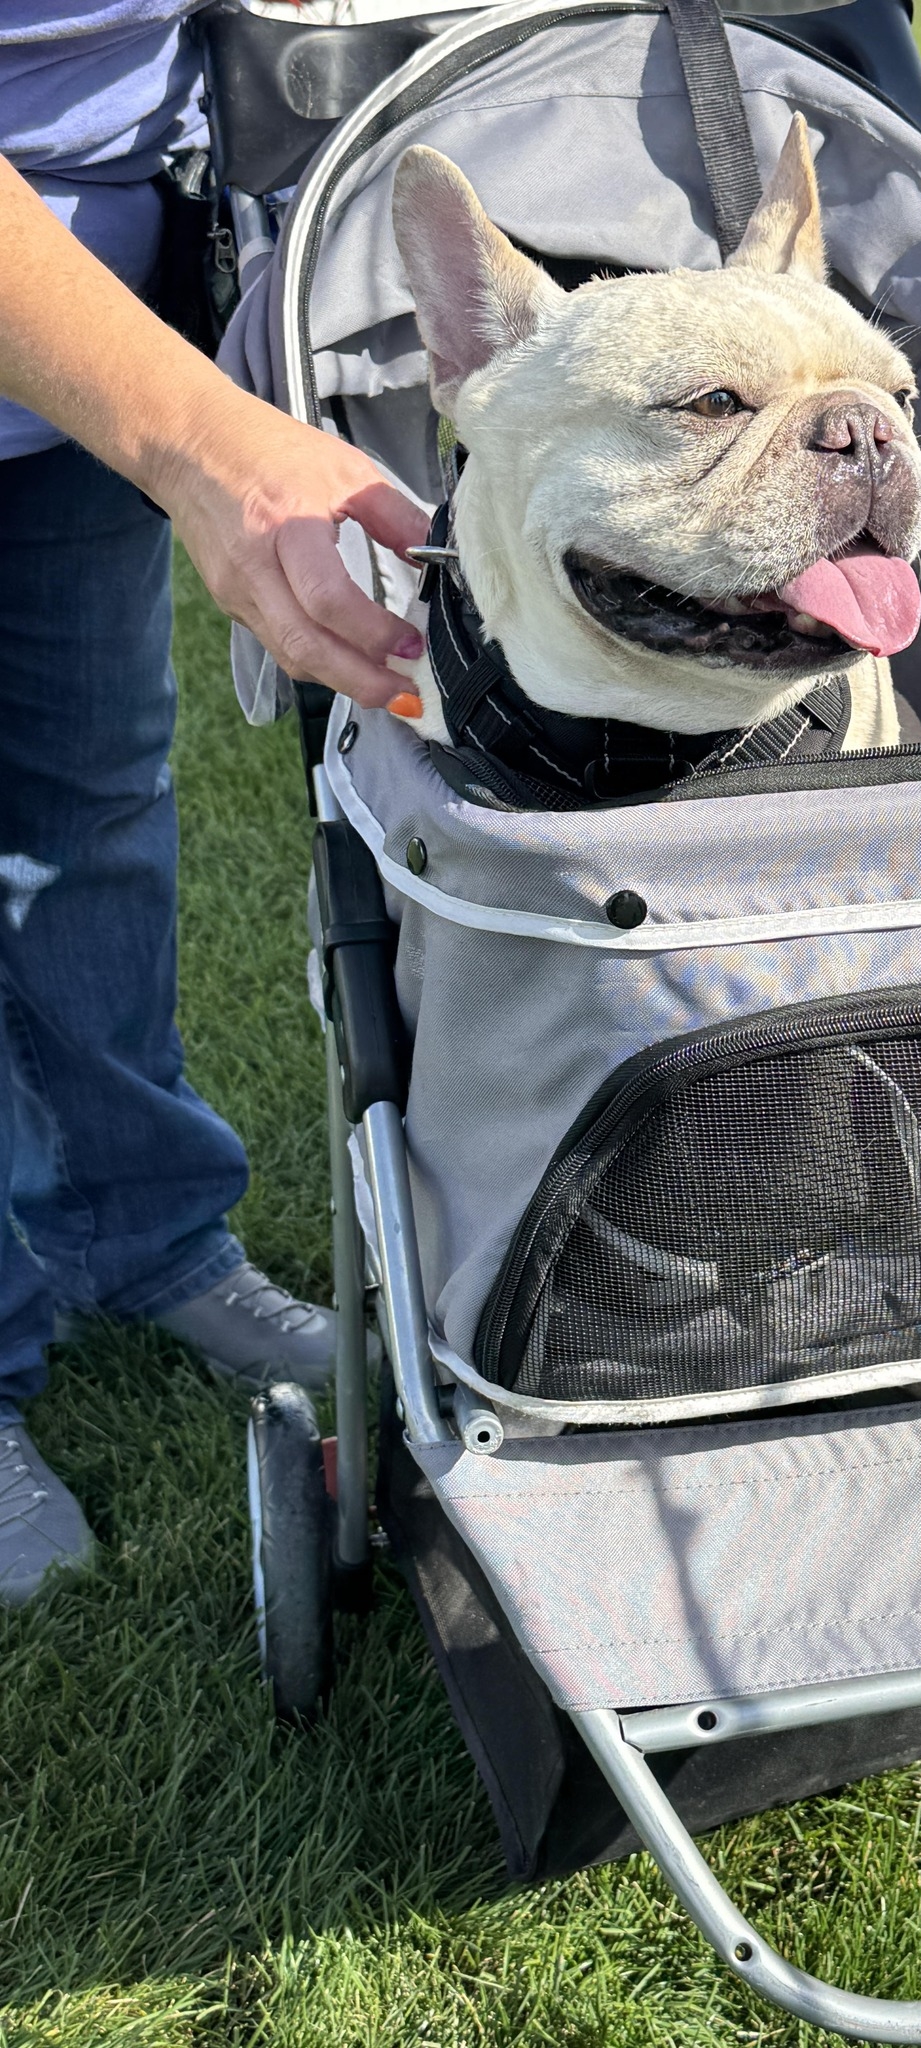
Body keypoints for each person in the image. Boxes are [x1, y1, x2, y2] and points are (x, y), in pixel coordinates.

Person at [0, 5, 428, 1606]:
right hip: (109, 367)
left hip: (81, 346)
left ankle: (149, 1241)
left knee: (90, 816)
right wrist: (205, 448)